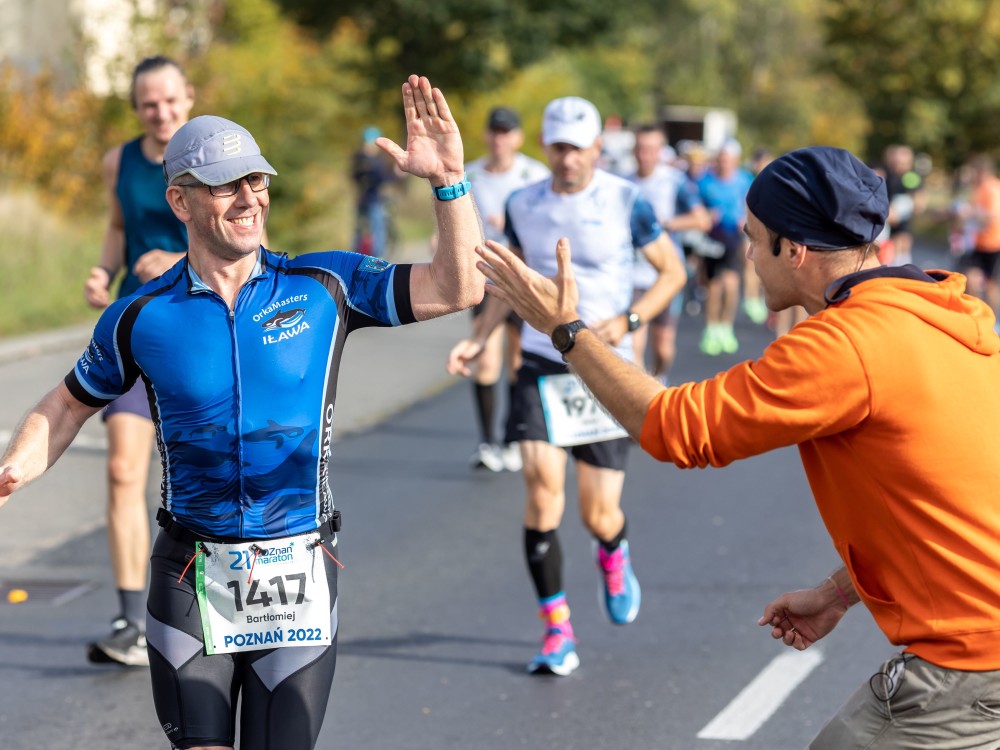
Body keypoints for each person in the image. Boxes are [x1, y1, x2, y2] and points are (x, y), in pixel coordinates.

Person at [0, 74, 483, 750]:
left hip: (298, 565)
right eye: (226, 185)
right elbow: (67, 402)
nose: (249, 197)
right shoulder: (141, 316)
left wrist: (450, 185)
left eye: (256, 180)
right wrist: (15, 469)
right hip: (190, 574)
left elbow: (458, 287)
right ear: (180, 200)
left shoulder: (325, 287)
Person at [476, 145, 1000, 748]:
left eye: (754, 239)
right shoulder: (945, 310)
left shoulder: (849, 344)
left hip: (967, 666)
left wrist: (566, 331)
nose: (747, 255)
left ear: (795, 250)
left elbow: (673, 428)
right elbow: (948, 498)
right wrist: (839, 591)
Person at [447, 96, 686, 676]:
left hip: (604, 368)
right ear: (545, 146)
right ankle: (556, 628)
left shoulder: (627, 202)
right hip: (539, 363)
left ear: (597, 150)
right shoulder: (524, 204)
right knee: (541, 491)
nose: (568, 158)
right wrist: (480, 339)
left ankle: (612, 550)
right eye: (558, 146)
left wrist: (629, 321)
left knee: (597, 513)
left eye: (579, 148)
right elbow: (510, 285)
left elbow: (672, 272)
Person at [82, 54, 195, 667]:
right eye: (149, 104)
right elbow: (118, 227)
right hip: (133, 332)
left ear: (188, 96)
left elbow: (246, 241)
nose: (162, 112)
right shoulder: (118, 161)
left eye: (171, 100)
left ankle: (207, 601)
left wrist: (176, 263)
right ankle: (131, 618)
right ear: (137, 108)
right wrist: (106, 268)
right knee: (125, 471)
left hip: (200, 332)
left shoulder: (212, 153)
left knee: (202, 471)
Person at [463, 107, 549, 472]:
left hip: (521, 277)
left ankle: (513, 439)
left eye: (507, 132)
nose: (500, 139)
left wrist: (515, 224)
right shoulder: (472, 175)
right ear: (487, 136)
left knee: (517, 359)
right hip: (484, 277)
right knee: (485, 356)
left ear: (517, 137)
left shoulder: (535, 174)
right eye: (495, 131)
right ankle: (488, 443)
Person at [627, 125, 711, 381]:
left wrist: (665, 224)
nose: (645, 156)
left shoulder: (674, 181)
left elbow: (702, 220)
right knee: (633, 347)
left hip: (665, 274)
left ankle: (659, 379)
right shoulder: (624, 182)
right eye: (641, 149)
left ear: (660, 151)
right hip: (631, 275)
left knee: (663, 349)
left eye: (651, 150)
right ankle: (641, 400)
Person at [696, 139, 755, 355]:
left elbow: (751, 205)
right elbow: (696, 206)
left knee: (731, 283)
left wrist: (745, 219)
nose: (723, 163)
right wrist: (705, 215)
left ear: (735, 161)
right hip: (712, 238)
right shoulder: (705, 181)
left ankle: (726, 326)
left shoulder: (744, 180)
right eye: (721, 159)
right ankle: (711, 327)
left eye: (727, 160)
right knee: (713, 286)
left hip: (734, 237)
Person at [351, 125, 400, 256]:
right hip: (374, 200)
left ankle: (353, 257)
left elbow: (354, 177)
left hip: (361, 199)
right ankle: (377, 261)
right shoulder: (374, 160)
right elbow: (382, 178)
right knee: (378, 231)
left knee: (360, 230)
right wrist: (396, 174)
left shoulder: (358, 158)